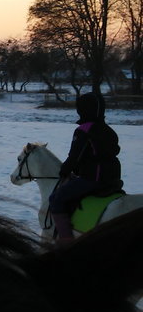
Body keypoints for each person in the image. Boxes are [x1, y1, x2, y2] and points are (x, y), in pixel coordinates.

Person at [49, 92, 122, 244]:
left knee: (56, 198)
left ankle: (66, 239)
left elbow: (75, 156)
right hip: (113, 179)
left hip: (92, 178)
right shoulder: (109, 130)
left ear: (83, 109)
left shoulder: (84, 130)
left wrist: (65, 170)